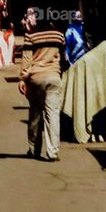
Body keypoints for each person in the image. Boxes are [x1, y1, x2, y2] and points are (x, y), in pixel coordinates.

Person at [19, 23, 67, 161]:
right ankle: (53, 152)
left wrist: (22, 78)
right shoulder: (59, 34)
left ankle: (34, 149)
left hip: (36, 78)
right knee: (53, 115)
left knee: (35, 114)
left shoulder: (31, 35)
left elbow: (27, 59)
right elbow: (64, 58)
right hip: (54, 77)